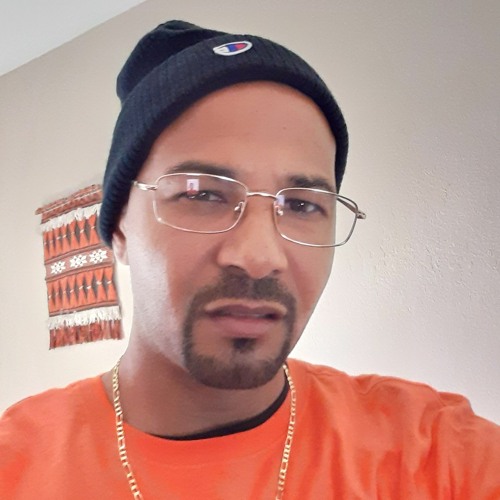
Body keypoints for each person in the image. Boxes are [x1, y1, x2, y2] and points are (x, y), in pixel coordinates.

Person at [1, 20, 499, 500]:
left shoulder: (433, 452)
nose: (259, 258)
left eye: (301, 205)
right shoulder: (16, 466)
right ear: (118, 229)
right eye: (201, 194)